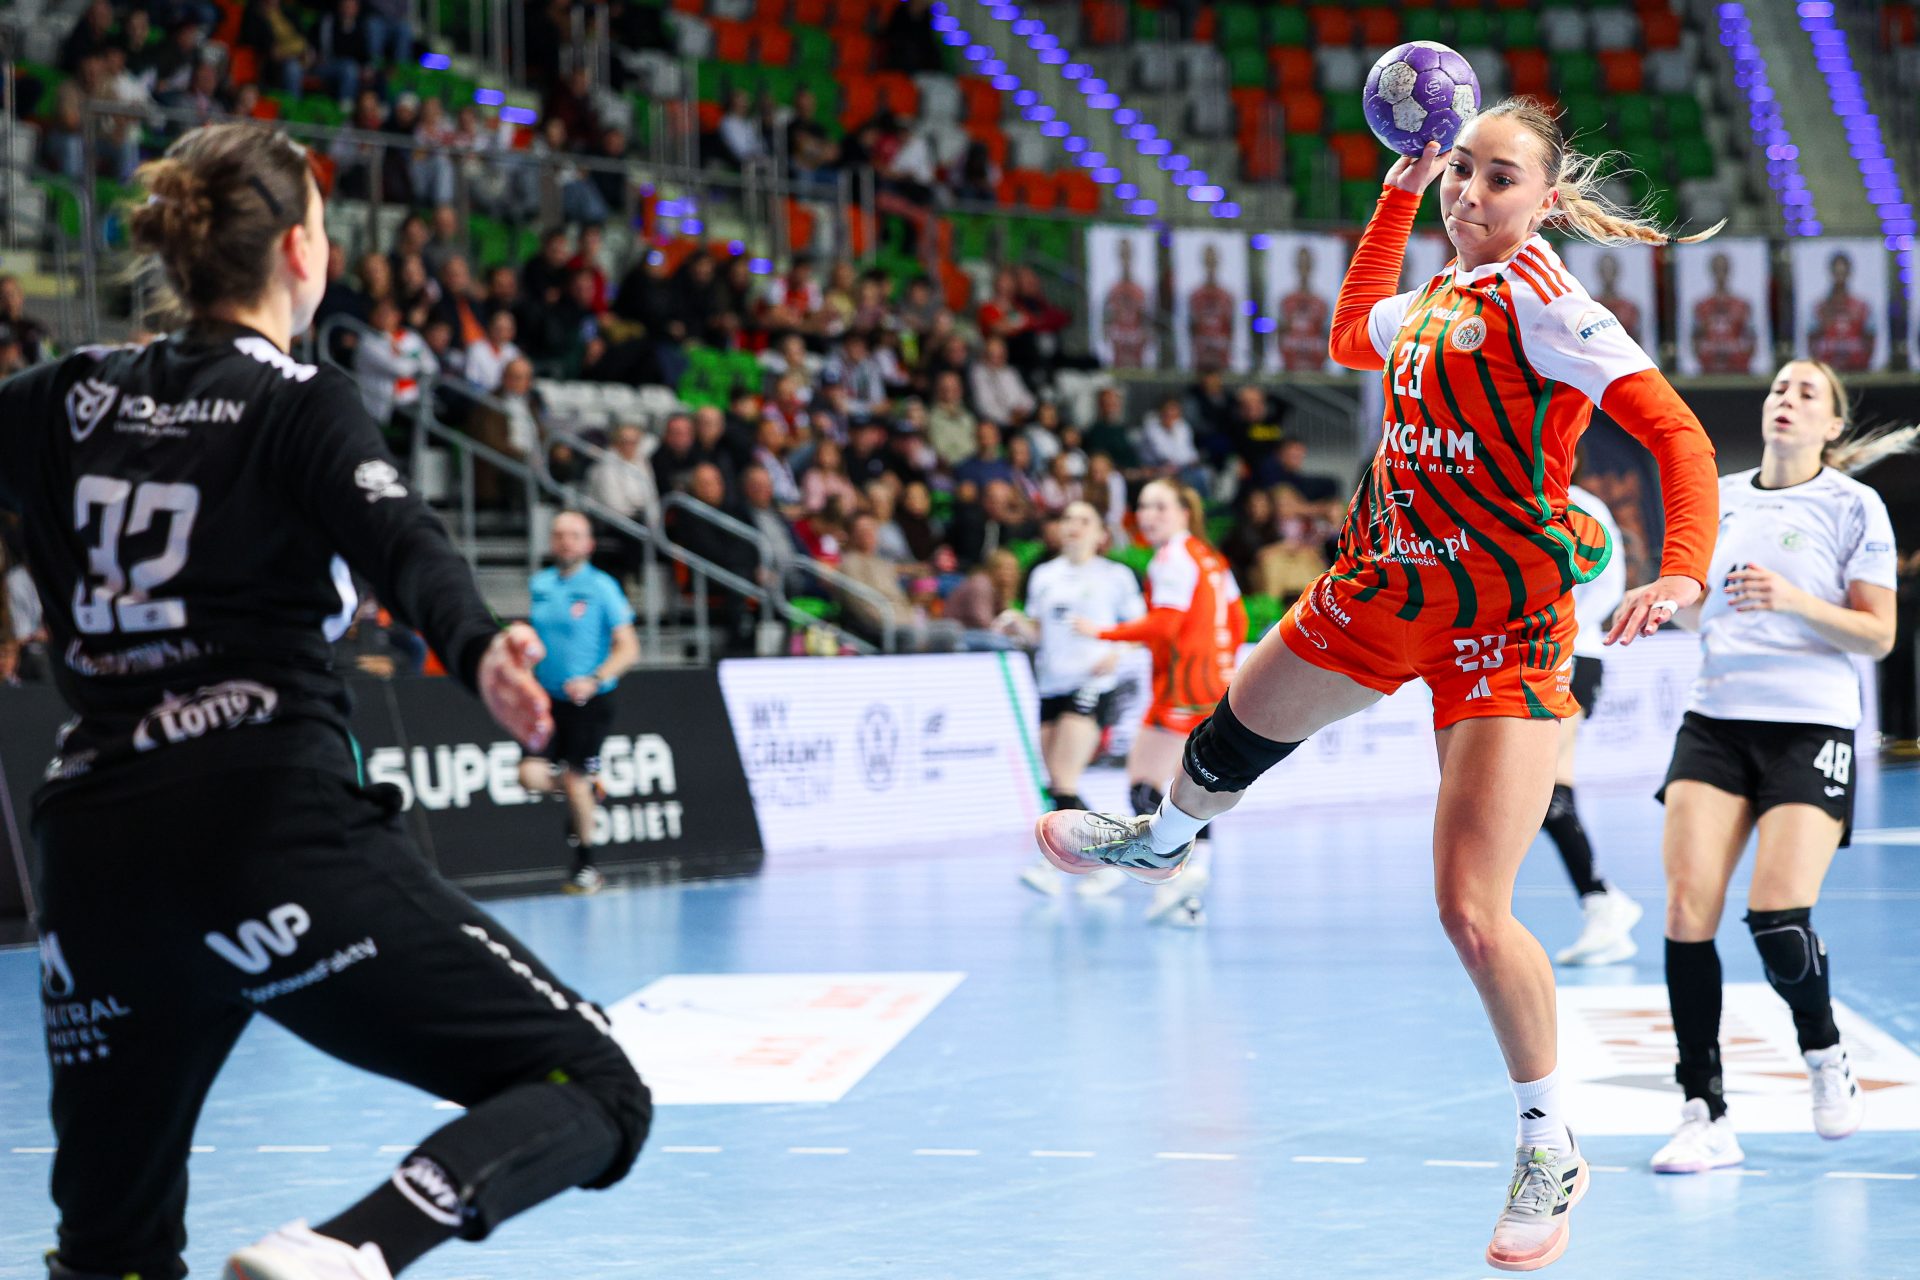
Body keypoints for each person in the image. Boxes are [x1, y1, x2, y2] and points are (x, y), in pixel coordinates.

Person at [1035, 99, 1724, 1271]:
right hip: (1383, 586)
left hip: (1500, 628)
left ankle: (1549, 1140)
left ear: (1544, 198)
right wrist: (1398, 191)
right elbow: (1356, 330)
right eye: (1461, 171)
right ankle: (1162, 841)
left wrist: (1684, 568)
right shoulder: (1440, 294)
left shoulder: (1552, 306)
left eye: (1498, 177)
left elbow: (1681, 438)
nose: (1471, 193)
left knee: (1470, 908)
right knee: (1225, 738)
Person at [0, 122, 649, 1280]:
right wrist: (478, 648)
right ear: (305, 251)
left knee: (110, 1254)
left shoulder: (65, 395)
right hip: (262, 833)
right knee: (595, 1082)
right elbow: (406, 542)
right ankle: (354, 1247)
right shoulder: (297, 399)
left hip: (96, 862)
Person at [1648, 360, 1913, 1175]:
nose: (1785, 400)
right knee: (1687, 909)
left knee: (1777, 918)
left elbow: (1878, 635)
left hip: (1811, 726)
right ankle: (1703, 1111)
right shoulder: (1718, 497)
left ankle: (1824, 1051)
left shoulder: (1853, 506)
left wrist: (1793, 599)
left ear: (1831, 426)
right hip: (1716, 719)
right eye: (1778, 389)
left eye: (1806, 393)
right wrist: (1664, 601)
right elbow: (1697, 608)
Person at [1070, 480, 1244, 926]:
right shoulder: (1210, 557)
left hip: (1181, 690)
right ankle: (1189, 879)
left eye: (1160, 507)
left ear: (1184, 512)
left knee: (1146, 787)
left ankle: (1173, 875)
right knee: (1191, 786)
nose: (1149, 516)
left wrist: (1103, 633)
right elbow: (1238, 619)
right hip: (1213, 684)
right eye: (1144, 507)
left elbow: (1165, 625)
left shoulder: (1171, 558)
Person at [1011, 502, 1146, 898]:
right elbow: (1039, 632)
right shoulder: (1044, 575)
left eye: (1084, 521)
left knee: (1064, 778)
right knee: (1058, 783)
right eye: (1068, 519)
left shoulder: (1115, 576)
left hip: (1092, 684)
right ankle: (1111, 858)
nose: (1074, 526)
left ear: (1101, 533)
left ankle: (1049, 866)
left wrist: (1117, 653)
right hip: (1050, 685)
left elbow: (1140, 629)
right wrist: (1016, 625)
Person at [1544, 468, 1641, 966]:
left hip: (1569, 655)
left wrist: (1558, 631)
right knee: (1548, 791)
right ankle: (1602, 902)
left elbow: (1606, 586)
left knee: (1545, 790)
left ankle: (1602, 901)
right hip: (1544, 657)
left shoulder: (1580, 505)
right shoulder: (1513, 495)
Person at [518, 511, 641, 896]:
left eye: (574, 535)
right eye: (559, 534)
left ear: (588, 544)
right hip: (547, 700)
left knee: (573, 778)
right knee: (528, 775)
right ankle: (590, 789)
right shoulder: (540, 584)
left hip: (590, 701)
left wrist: (595, 679)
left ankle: (587, 866)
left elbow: (629, 648)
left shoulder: (602, 587)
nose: (565, 541)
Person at [1806, 251, 1875, 374]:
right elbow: (1811, 340)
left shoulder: (1863, 307)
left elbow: (1870, 340)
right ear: (1831, 272)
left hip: (1857, 371)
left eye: (1843, 271)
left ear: (1849, 272)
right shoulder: (1819, 308)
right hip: (1827, 372)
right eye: (1836, 271)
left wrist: (1863, 362)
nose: (1839, 276)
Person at [1692, 250, 1757, 375]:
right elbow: (1695, 340)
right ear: (1711, 271)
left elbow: (1752, 339)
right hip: (1708, 372)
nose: (1720, 273)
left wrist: (1740, 356)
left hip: (1739, 371)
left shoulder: (1743, 306)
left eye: (1723, 268)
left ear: (1729, 270)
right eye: (1717, 269)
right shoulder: (1701, 307)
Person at [1275, 244, 1330, 373]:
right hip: (1290, 371)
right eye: (1301, 263)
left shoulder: (1322, 303)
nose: (1304, 268)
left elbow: (1327, 337)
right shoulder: (1286, 302)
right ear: (1296, 266)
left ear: (1312, 266)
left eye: (1307, 264)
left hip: (1316, 371)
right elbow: (1279, 336)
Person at [1186, 241, 1236, 374]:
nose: (1210, 265)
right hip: (1199, 364)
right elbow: (1190, 330)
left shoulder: (1227, 297)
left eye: (1213, 260)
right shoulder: (1195, 296)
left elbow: (1232, 329)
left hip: (1223, 363)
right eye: (1207, 260)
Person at [1103, 237, 1152, 369]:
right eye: (1122, 254)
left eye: (1128, 253)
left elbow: (1147, 325)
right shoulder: (1112, 291)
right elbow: (1105, 325)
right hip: (1117, 357)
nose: (1125, 258)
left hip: (1137, 356)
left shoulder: (1141, 291)